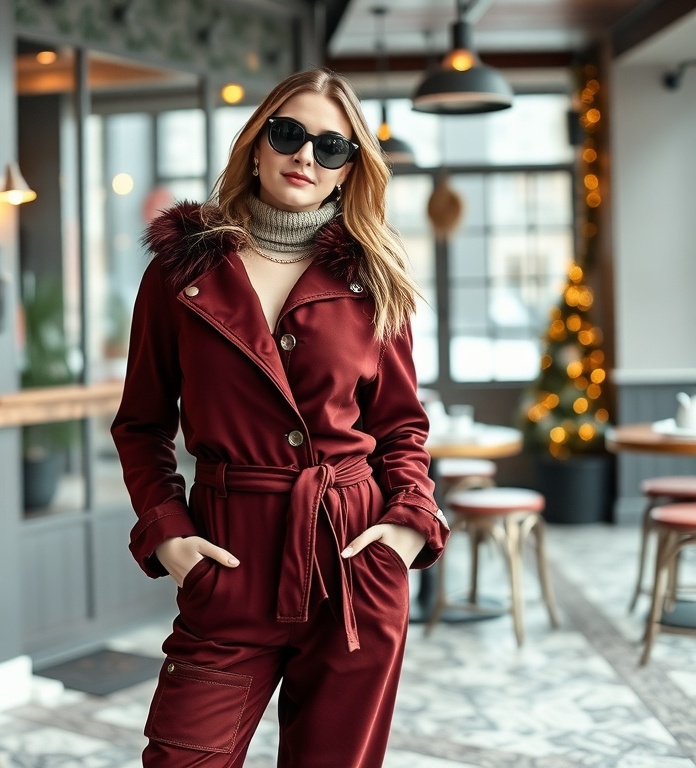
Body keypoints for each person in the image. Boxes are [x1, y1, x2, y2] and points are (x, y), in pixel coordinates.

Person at [110, 67, 449, 768]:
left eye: (332, 146)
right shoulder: (181, 270)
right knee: (182, 757)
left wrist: (406, 529)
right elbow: (141, 425)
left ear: (350, 171)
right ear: (257, 144)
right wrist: (169, 534)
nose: (306, 156)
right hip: (228, 562)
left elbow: (401, 428)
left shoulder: (374, 278)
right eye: (290, 134)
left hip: (354, 564)